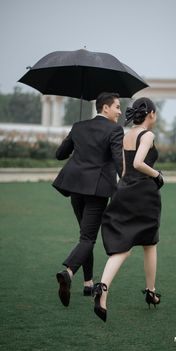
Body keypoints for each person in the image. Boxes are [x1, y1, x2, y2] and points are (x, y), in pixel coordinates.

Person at [92, 97, 164, 322]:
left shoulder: (126, 135)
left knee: (122, 247)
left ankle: (102, 288)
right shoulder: (148, 135)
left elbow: (123, 171)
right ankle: (151, 292)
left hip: (124, 190)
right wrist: (158, 175)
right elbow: (138, 163)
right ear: (150, 113)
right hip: (144, 194)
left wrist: (122, 189)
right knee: (149, 243)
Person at [53, 92, 123, 307]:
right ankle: (68, 272)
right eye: (117, 107)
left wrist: (76, 137)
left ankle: (88, 282)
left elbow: (60, 154)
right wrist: (127, 184)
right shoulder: (115, 130)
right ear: (105, 108)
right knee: (88, 239)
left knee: (85, 236)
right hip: (97, 190)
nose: (120, 111)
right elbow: (119, 161)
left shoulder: (78, 126)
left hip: (75, 187)